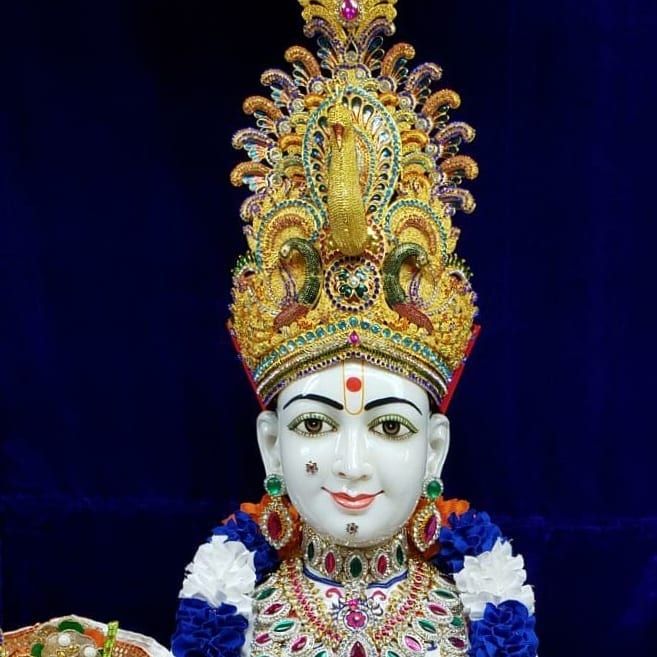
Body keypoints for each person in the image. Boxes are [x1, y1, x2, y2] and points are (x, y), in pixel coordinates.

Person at [172, 1, 539, 656]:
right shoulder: (236, 609)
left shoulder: (475, 610)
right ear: (270, 446)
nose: (350, 464)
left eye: (390, 427)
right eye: (314, 424)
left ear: (434, 451)